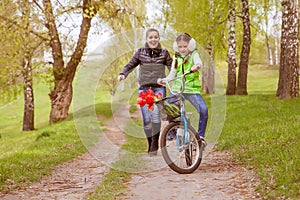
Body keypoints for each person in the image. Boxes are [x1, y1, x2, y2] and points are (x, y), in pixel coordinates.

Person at [118, 28, 173, 156]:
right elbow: (130, 65)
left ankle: (154, 146)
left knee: (155, 116)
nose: (153, 40)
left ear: (159, 39)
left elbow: (172, 68)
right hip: (144, 89)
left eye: (155, 37)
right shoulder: (140, 53)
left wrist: (168, 79)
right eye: (151, 37)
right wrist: (122, 73)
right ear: (147, 39)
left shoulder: (164, 53)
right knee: (146, 120)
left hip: (159, 89)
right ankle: (151, 143)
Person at [158, 33, 208, 145]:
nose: (182, 49)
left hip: (191, 89)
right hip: (177, 89)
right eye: (180, 47)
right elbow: (172, 74)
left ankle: (200, 137)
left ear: (190, 45)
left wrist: (197, 66)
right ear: (176, 47)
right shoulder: (176, 57)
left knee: (203, 110)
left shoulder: (194, 54)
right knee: (169, 107)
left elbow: (199, 62)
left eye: (185, 46)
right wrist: (164, 80)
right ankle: (173, 130)